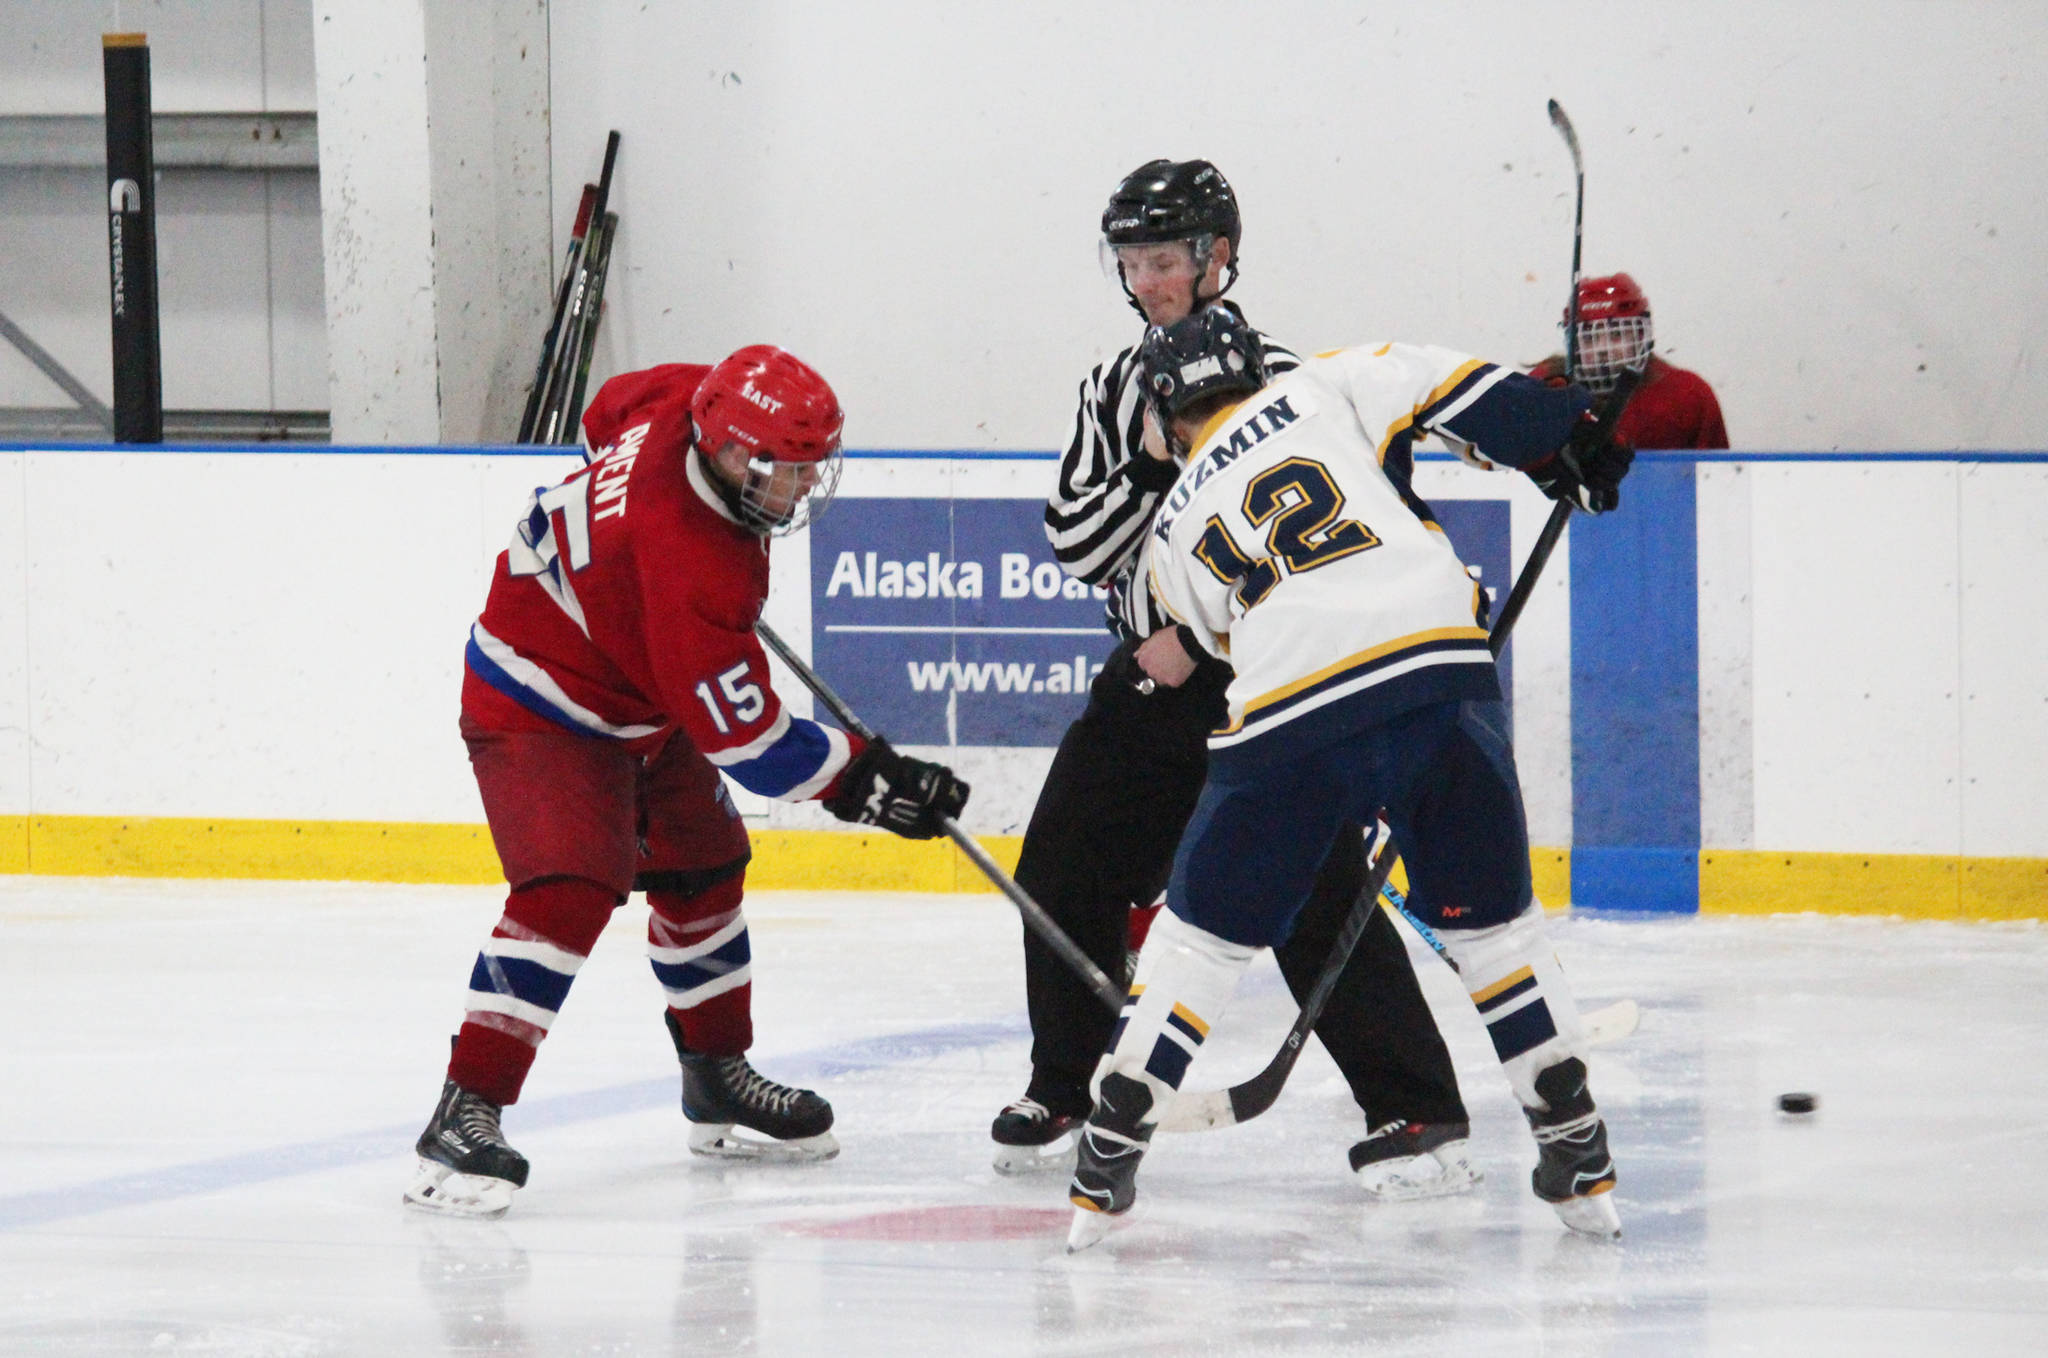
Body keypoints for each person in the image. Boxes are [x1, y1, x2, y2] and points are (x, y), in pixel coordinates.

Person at [1064, 306, 1634, 1252]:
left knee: (1201, 941)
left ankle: (1113, 1145)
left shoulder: (1168, 530)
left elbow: (1210, 639)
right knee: (1493, 932)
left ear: (1169, 415)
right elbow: (1478, 394)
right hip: (1438, 673)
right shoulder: (1328, 379)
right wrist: (1562, 439)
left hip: (1291, 710)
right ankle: (1573, 1139)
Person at [1002, 158, 1478, 1201]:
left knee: (1308, 888)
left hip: (1257, 678)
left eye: (1163, 258)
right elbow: (1075, 540)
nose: (1144, 281)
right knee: (1061, 864)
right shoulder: (1108, 385)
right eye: (1129, 260)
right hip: (1144, 680)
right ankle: (1070, 1081)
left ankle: (1415, 1102)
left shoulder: (1286, 375)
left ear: (1217, 257)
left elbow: (1356, 515)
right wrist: (1141, 470)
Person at [405, 347, 969, 1218]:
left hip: (637, 690)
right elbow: (753, 745)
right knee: (569, 888)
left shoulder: (683, 399)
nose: (805, 489)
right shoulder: (687, 566)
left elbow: (605, 414)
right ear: (734, 457)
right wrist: (870, 782)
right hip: (538, 698)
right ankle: (465, 1108)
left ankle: (716, 1077)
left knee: (703, 865)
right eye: (792, 472)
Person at [1531, 273, 1727, 449]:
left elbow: (1718, 480)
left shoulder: (1687, 395)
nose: (1602, 349)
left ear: (1640, 335)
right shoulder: (1545, 389)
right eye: (1590, 338)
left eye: (1616, 334)